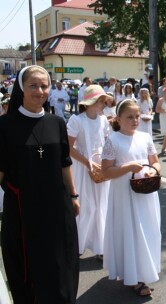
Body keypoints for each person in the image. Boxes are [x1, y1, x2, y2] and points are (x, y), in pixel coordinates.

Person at [0, 65, 79, 303]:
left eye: (44, 85)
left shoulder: (57, 122)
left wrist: (73, 196)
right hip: (24, 208)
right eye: (33, 85)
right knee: (29, 269)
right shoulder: (5, 125)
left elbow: (65, 163)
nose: (40, 91)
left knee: (61, 263)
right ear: (21, 89)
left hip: (57, 206)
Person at [101, 99, 161, 297]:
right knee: (130, 231)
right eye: (129, 117)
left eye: (137, 116)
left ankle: (143, 270)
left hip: (145, 193)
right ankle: (133, 276)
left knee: (147, 230)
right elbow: (106, 171)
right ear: (118, 118)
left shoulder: (145, 137)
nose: (135, 120)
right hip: (124, 194)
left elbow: (156, 163)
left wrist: (152, 172)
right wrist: (128, 167)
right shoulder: (113, 140)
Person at [67, 85, 112, 258]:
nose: (104, 103)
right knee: (87, 207)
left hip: (100, 168)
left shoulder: (103, 120)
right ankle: (76, 246)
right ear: (91, 102)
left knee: (102, 206)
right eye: (101, 100)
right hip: (82, 167)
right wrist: (88, 163)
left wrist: (107, 161)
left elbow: (106, 143)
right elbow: (70, 149)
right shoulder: (76, 120)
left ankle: (100, 246)